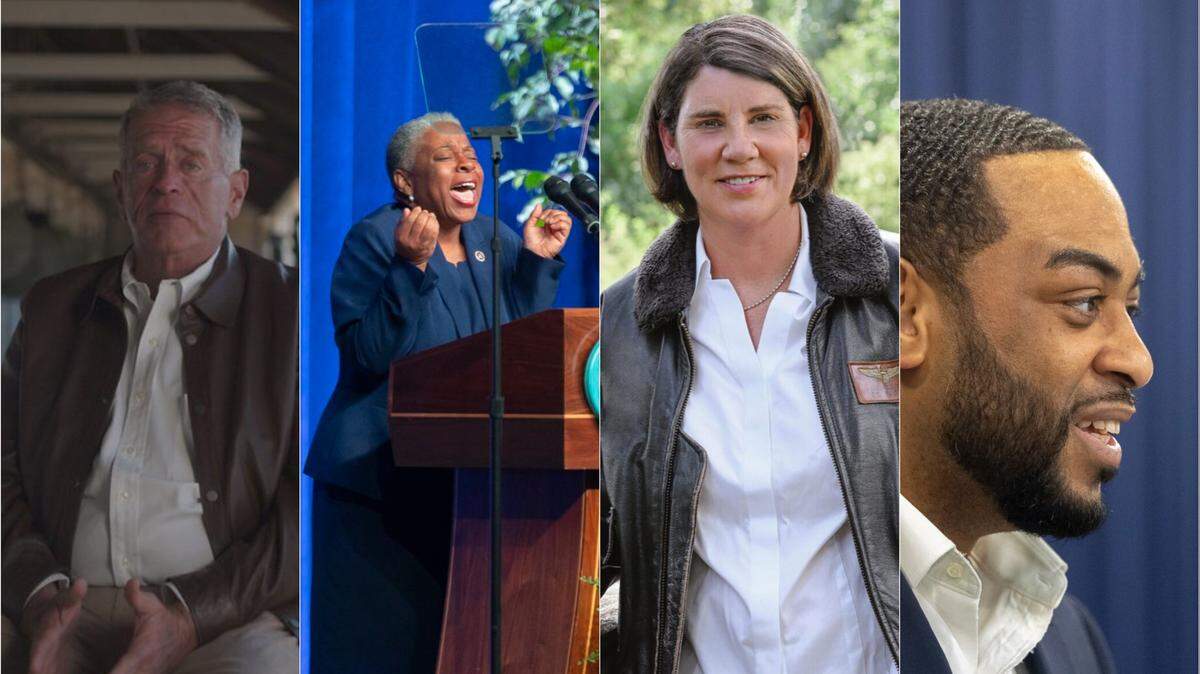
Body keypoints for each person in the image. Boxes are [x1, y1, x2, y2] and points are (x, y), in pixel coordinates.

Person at [600, 15, 898, 673]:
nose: (739, 148)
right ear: (670, 143)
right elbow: (598, 554)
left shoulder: (902, 293)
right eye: (709, 123)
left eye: (763, 118)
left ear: (803, 131)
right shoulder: (618, 329)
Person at [1, 81, 299, 674]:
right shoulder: (53, 308)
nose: (166, 182)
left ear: (236, 192)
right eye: (146, 163)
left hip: (229, 615)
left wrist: (193, 614)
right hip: (59, 601)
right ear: (121, 189)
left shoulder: (292, 314)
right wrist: (37, 595)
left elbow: (312, 499)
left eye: (192, 163)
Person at [304, 111, 572, 671]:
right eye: (447, 157)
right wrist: (410, 267)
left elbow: (513, 351)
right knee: (385, 651)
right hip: (380, 485)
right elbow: (370, 356)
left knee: (453, 650)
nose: (467, 165)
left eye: (470, 156)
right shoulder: (376, 239)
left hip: (466, 484)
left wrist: (535, 264)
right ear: (405, 181)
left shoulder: (494, 239)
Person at [898, 98, 1151, 673]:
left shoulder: (1072, 641)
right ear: (906, 316)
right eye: (1084, 301)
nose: (1138, 362)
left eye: (1131, 307)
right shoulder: (759, 619)